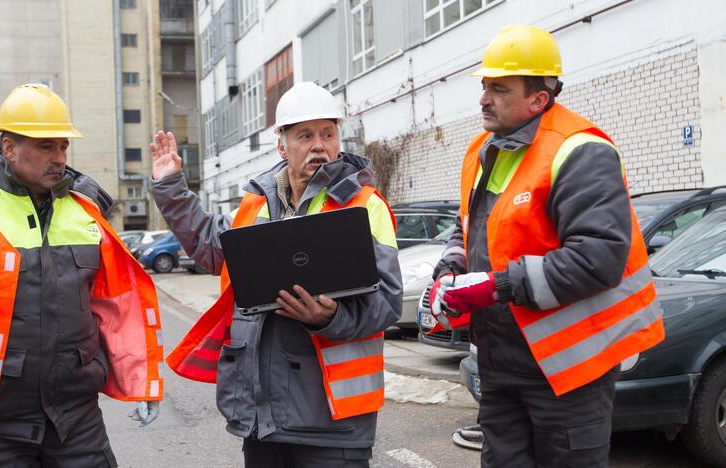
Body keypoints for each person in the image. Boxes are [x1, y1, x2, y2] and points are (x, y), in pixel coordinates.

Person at [429, 25, 664, 467]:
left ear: (539, 99)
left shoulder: (580, 151)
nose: (483, 98)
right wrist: (450, 270)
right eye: (484, 86)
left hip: (572, 369)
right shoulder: (484, 148)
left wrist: (496, 286)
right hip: (502, 366)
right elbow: (467, 228)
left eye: (499, 88)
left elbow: (598, 258)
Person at [0, 83, 164, 467]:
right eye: (45, 146)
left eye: (63, 146)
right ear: (8, 147)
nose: (59, 157)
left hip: (76, 419)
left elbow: (114, 306)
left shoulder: (85, 211)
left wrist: (140, 376)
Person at [152, 82, 402, 468]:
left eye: (328, 133)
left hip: (332, 423)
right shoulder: (256, 205)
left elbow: (387, 303)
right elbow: (211, 246)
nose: (320, 145)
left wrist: (329, 318)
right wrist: (170, 186)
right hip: (263, 419)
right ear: (282, 144)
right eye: (305, 135)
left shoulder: (365, 206)